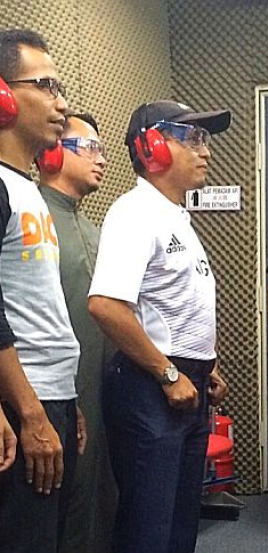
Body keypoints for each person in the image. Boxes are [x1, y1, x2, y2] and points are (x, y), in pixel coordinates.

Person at [88, 100, 230, 553]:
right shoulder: (133, 213)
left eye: (205, 139)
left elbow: (174, 303)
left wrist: (207, 366)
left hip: (186, 382)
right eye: (193, 138)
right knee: (148, 530)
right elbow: (106, 305)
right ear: (152, 146)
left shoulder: (175, 217)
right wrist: (168, 373)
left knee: (180, 525)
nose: (205, 150)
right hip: (151, 388)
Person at [0, 29, 83, 553]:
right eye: (46, 86)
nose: (62, 103)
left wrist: (65, 401)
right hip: (20, 403)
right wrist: (29, 412)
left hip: (51, 397)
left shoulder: (27, 188)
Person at [38, 112, 118, 553]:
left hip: (100, 394)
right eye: (89, 148)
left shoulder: (94, 230)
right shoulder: (32, 220)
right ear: (52, 153)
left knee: (98, 503)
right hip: (52, 397)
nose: (101, 159)